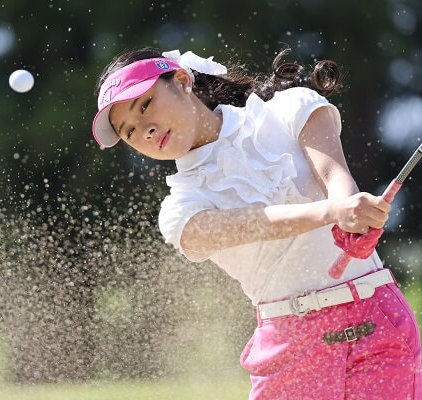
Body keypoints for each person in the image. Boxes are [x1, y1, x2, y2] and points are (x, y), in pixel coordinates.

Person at [91, 47, 422, 399]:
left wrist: (354, 219)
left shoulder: (292, 107)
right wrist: (333, 213)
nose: (146, 129)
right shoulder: (179, 210)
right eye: (129, 131)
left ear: (183, 81)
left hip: (374, 324)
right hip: (286, 346)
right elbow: (253, 224)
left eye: (145, 105)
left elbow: (335, 178)